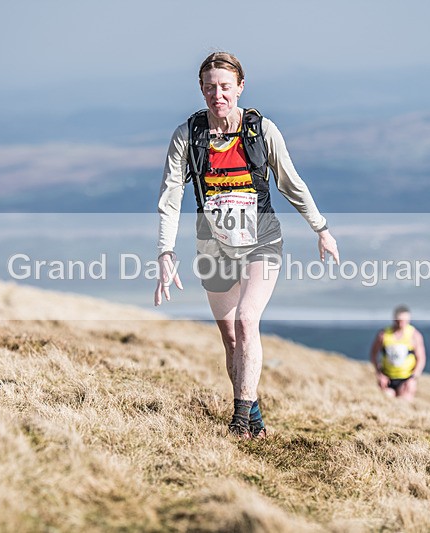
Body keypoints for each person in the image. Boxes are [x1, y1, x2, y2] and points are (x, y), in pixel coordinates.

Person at [154, 51, 339, 438]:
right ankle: (253, 416)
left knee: (246, 319)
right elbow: (170, 197)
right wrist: (166, 252)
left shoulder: (262, 131)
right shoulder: (187, 136)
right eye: (209, 88)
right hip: (213, 245)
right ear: (201, 90)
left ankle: (239, 419)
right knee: (230, 337)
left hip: (262, 240)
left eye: (224, 86)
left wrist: (321, 228)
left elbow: (290, 183)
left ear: (240, 87)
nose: (217, 95)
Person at [370, 305, 426, 400]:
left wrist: (413, 379)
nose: (401, 323)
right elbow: (373, 354)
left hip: (406, 379)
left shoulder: (414, 335)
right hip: (387, 378)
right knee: (386, 401)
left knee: (404, 403)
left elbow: (421, 359)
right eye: (399, 320)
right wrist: (380, 374)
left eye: (404, 320)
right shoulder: (383, 334)